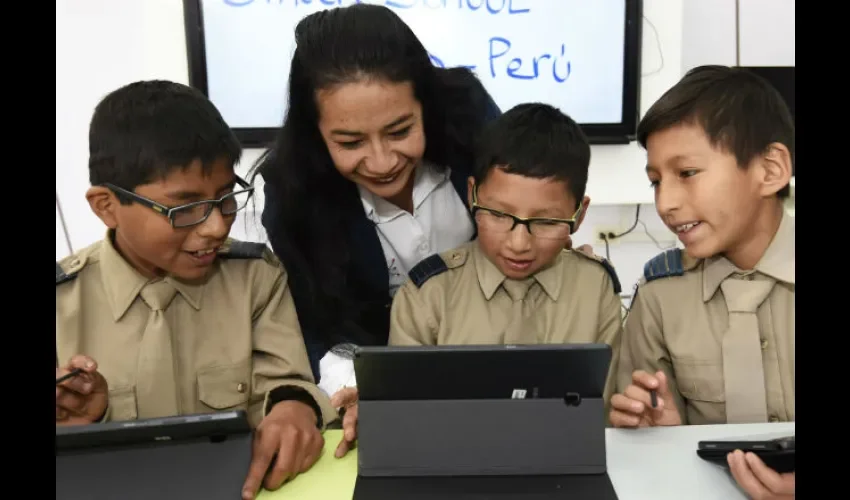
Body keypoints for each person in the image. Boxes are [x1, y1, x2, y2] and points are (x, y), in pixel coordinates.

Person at [253, 4, 587, 396]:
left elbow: (527, 197)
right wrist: (365, 389)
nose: (382, 162)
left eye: (400, 130)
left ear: (427, 105)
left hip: (501, 349)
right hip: (382, 373)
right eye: (350, 142)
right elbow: (312, 326)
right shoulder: (292, 194)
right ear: (316, 135)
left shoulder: (469, 116)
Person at [55, 80, 336, 500]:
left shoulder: (254, 279)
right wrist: (82, 424)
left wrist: (294, 409)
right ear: (106, 206)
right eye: (184, 209)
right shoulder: (63, 304)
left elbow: (285, 383)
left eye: (225, 198)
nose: (216, 226)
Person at [332, 102, 624, 458]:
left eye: (546, 222)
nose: (519, 243)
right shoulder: (428, 294)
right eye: (499, 215)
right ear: (472, 194)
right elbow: (405, 413)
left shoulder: (596, 290)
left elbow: (608, 415)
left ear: (579, 216)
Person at [608, 66, 795, 499]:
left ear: (770, 170)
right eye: (655, 181)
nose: (666, 203)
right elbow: (646, 465)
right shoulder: (660, 296)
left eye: (687, 173)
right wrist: (662, 438)